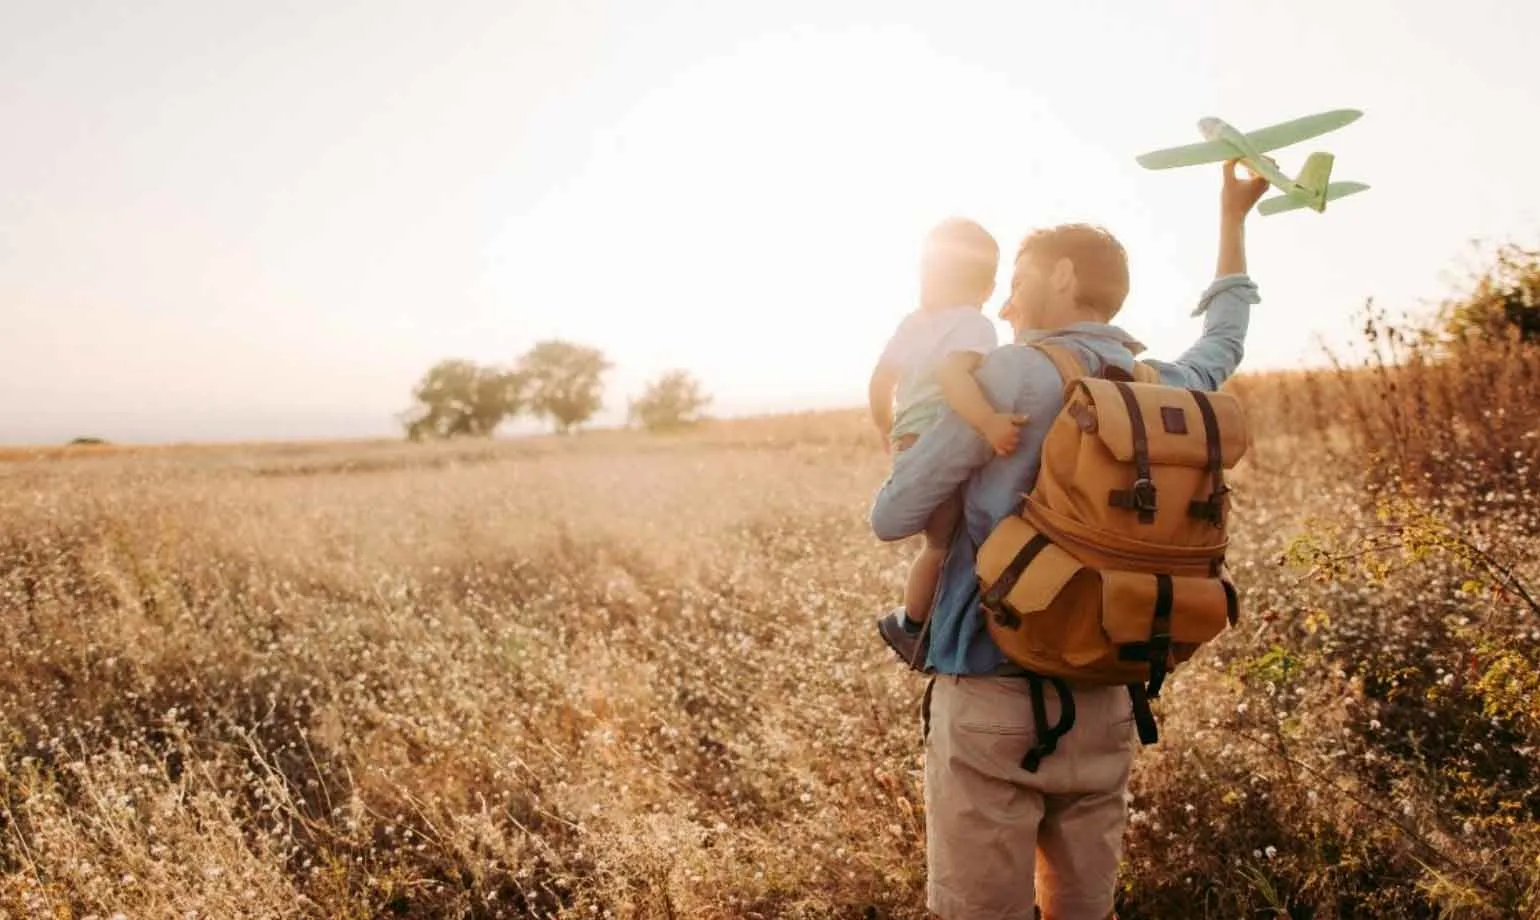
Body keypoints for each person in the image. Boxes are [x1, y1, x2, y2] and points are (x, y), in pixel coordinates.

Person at [868, 160, 1270, 920]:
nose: (1009, 302)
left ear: (1058, 276)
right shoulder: (1164, 386)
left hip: (991, 695)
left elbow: (893, 516)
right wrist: (1233, 220)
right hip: (1109, 699)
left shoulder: (1013, 373)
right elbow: (1228, 335)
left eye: (1019, 280)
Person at [869, 217, 1028, 664]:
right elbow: (952, 376)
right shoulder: (974, 325)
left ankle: (925, 620)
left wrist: (886, 427)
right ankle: (913, 626)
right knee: (942, 543)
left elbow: (881, 379)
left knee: (941, 539)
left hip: (909, 439)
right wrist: (989, 421)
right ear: (988, 287)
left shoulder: (914, 324)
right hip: (937, 440)